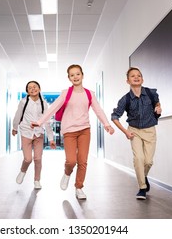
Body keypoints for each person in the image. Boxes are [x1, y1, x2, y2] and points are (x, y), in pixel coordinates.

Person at [32, 64, 114, 200]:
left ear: (82, 75)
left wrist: (106, 124)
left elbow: (98, 110)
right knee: (71, 161)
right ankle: (67, 173)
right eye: (72, 75)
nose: (75, 77)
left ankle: (79, 188)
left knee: (82, 161)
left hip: (84, 130)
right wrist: (40, 122)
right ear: (69, 78)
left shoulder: (89, 94)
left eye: (77, 74)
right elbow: (52, 109)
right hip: (69, 130)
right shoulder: (66, 93)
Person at [111, 67, 162, 200]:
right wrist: (125, 132)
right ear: (128, 81)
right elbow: (114, 117)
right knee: (139, 158)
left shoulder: (151, 93)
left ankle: (143, 175)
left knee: (148, 161)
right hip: (134, 131)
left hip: (150, 130)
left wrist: (158, 106)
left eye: (139, 75)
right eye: (133, 76)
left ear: (142, 79)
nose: (136, 77)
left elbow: (157, 102)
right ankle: (142, 187)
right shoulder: (125, 99)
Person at [12, 81, 56, 190]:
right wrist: (14, 127)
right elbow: (18, 115)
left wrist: (51, 139)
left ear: (39, 88)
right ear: (27, 91)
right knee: (28, 159)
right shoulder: (23, 102)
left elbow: (46, 121)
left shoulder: (43, 103)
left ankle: (37, 180)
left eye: (35, 87)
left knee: (38, 158)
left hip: (38, 133)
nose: (33, 89)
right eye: (30, 88)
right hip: (26, 132)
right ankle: (23, 171)